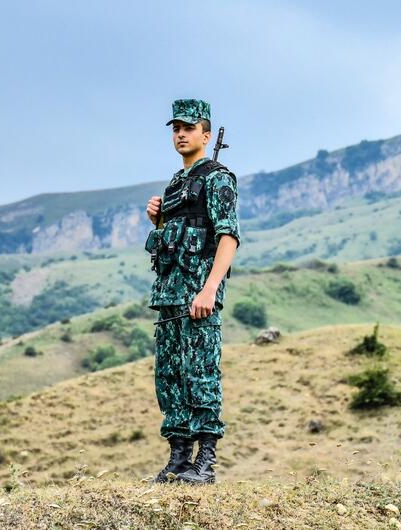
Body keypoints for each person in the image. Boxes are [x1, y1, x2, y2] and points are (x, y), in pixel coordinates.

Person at [144, 99, 240, 484]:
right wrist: (158, 219)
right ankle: (179, 458)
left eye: (188, 128)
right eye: (175, 129)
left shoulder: (218, 178)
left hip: (198, 297)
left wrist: (209, 289)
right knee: (170, 376)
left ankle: (206, 462)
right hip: (169, 297)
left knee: (200, 374)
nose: (180, 134)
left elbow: (228, 236)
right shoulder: (175, 184)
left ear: (205, 134)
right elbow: (174, 239)